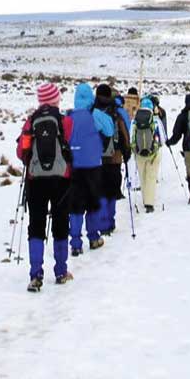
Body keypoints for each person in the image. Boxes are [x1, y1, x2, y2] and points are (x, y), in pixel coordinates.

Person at [16, 83, 74, 292]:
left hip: (35, 180)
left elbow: (21, 152)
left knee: (36, 225)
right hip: (62, 180)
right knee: (60, 224)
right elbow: (70, 146)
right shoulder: (65, 121)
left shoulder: (30, 122)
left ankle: (36, 274)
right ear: (56, 99)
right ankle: (60, 271)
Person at [67, 83, 115, 255]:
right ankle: (94, 237)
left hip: (74, 167)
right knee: (93, 203)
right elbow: (110, 131)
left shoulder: (69, 117)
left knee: (76, 206)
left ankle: (75, 243)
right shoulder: (95, 115)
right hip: (94, 165)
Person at [94, 84, 131, 235]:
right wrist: (126, 152)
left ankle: (102, 223)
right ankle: (110, 221)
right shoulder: (116, 114)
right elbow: (124, 135)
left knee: (101, 192)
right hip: (115, 158)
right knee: (111, 192)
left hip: (97, 159)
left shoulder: (93, 111)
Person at [132, 97, 164, 213]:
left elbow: (132, 137)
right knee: (151, 177)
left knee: (142, 176)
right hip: (153, 153)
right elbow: (163, 139)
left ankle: (145, 199)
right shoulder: (155, 120)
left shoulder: (135, 120)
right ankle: (149, 204)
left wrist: (134, 149)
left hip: (139, 153)